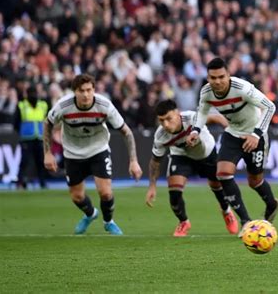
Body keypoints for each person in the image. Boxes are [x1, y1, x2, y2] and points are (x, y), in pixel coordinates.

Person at [187, 57, 278, 236]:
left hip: (255, 134)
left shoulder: (242, 88)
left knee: (255, 181)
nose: (217, 81)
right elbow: (202, 112)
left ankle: (272, 204)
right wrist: (195, 131)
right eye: (213, 78)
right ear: (208, 78)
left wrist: (256, 134)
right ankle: (246, 221)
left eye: (221, 76)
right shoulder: (206, 92)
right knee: (222, 173)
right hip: (233, 133)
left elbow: (270, 107)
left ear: (229, 75)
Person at [43, 74, 143, 235]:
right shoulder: (63, 106)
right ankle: (90, 214)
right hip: (72, 153)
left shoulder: (104, 105)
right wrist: (47, 153)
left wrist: (134, 161)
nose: (86, 94)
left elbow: (127, 132)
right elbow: (47, 124)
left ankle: (108, 221)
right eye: (81, 90)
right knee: (77, 197)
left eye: (89, 90)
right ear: (74, 91)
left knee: (105, 192)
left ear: (94, 90)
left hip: (98, 150)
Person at [145, 99, 239, 237]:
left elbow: (216, 117)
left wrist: (231, 134)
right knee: (174, 191)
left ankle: (226, 211)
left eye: (168, 119)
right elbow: (155, 161)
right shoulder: (160, 136)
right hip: (182, 156)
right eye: (161, 120)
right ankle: (184, 222)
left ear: (177, 113)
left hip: (206, 153)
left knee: (217, 187)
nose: (165, 124)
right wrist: (152, 186)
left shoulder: (192, 118)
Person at [15, 86, 49, 189]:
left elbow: (47, 120)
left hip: (39, 137)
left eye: (35, 93)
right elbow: (16, 122)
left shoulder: (43, 105)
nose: (33, 95)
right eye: (31, 93)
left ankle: (42, 183)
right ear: (26, 94)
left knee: (41, 161)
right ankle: (20, 182)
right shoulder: (21, 105)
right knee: (24, 161)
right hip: (27, 138)